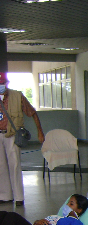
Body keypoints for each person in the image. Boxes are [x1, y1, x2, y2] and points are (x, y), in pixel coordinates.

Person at [0, 72, 45, 206]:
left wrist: (40, 132)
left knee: (14, 165)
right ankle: (5, 195)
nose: (0, 85)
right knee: (1, 166)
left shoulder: (17, 96)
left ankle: (19, 197)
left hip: (12, 135)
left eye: (2, 83)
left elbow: (32, 113)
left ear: (6, 83)